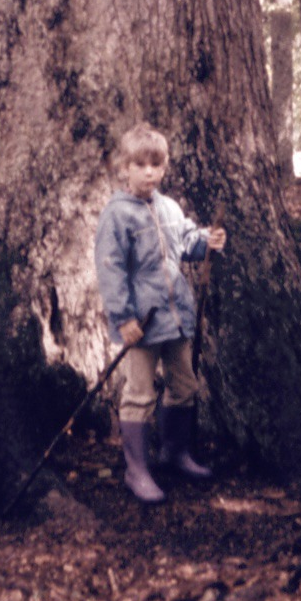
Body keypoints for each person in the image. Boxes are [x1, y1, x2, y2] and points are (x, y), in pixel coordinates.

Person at [94, 122, 227, 504]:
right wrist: (123, 318)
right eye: (141, 164)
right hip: (141, 323)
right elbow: (110, 268)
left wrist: (207, 241)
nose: (149, 172)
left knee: (183, 385)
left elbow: (185, 240)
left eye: (156, 164)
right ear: (125, 168)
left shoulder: (168, 207)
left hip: (176, 317)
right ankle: (137, 471)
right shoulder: (116, 215)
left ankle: (176, 453)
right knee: (139, 393)